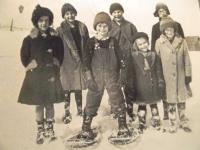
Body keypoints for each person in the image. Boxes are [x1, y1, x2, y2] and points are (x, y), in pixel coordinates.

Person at [78, 12, 132, 141]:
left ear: (109, 27)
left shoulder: (114, 42)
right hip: (96, 79)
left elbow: (121, 61)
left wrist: (122, 76)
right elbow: (85, 62)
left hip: (112, 77)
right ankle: (86, 128)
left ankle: (123, 126)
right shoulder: (91, 42)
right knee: (91, 102)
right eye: (100, 26)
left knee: (117, 99)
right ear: (96, 27)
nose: (102, 29)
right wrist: (89, 78)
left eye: (105, 26)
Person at [18, 5, 64, 144]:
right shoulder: (29, 39)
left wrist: (56, 63)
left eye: (46, 20)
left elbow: (60, 54)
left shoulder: (56, 38)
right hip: (36, 77)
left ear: (50, 21)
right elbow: (24, 56)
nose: (44, 23)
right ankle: (40, 129)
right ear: (36, 22)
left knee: (49, 104)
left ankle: (50, 127)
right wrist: (30, 64)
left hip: (50, 75)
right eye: (40, 20)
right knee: (39, 104)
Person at [155, 18, 192, 133]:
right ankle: (172, 122)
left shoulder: (182, 41)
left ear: (174, 29)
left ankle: (183, 121)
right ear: (163, 31)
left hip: (180, 76)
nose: (168, 31)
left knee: (181, 99)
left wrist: (188, 74)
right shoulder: (159, 42)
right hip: (167, 77)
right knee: (170, 100)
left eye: (171, 28)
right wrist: (159, 76)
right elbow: (157, 61)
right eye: (166, 29)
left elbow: (187, 59)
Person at [151, 2, 185, 120]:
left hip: (177, 62)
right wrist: (155, 63)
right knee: (166, 89)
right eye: (159, 11)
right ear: (157, 13)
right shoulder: (155, 27)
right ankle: (166, 113)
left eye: (164, 10)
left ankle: (181, 115)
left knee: (179, 89)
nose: (162, 12)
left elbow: (182, 41)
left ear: (167, 11)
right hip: (163, 61)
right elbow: (154, 46)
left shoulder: (177, 24)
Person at [57, 3, 89, 124]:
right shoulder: (60, 30)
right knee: (66, 88)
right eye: (67, 14)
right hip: (65, 62)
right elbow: (56, 47)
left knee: (78, 87)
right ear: (64, 16)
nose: (70, 16)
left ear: (75, 13)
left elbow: (86, 44)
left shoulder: (82, 27)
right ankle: (67, 112)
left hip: (79, 61)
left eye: (71, 13)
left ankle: (80, 111)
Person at [127, 32, 165, 133]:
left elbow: (158, 70)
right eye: (140, 44)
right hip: (140, 86)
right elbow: (131, 73)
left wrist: (160, 81)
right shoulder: (133, 56)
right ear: (136, 46)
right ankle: (142, 123)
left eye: (144, 43)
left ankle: (156, 121)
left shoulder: (153, 55)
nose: (143, 46)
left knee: (154, 106)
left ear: (148, 42)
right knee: (142, 106)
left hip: (152, 85)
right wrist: (131, 85)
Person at [109, 3, 138, 121]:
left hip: (128, 59)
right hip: (113, 59)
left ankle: (130, 109)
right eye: (114, 12)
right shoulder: (108, 26)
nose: (117, 14)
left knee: (129, 85)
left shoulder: (130, 25)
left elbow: (136, 41)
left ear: (122, 12)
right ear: (112, 14)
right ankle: (115, 109)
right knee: (114, 85)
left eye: (119, 11)